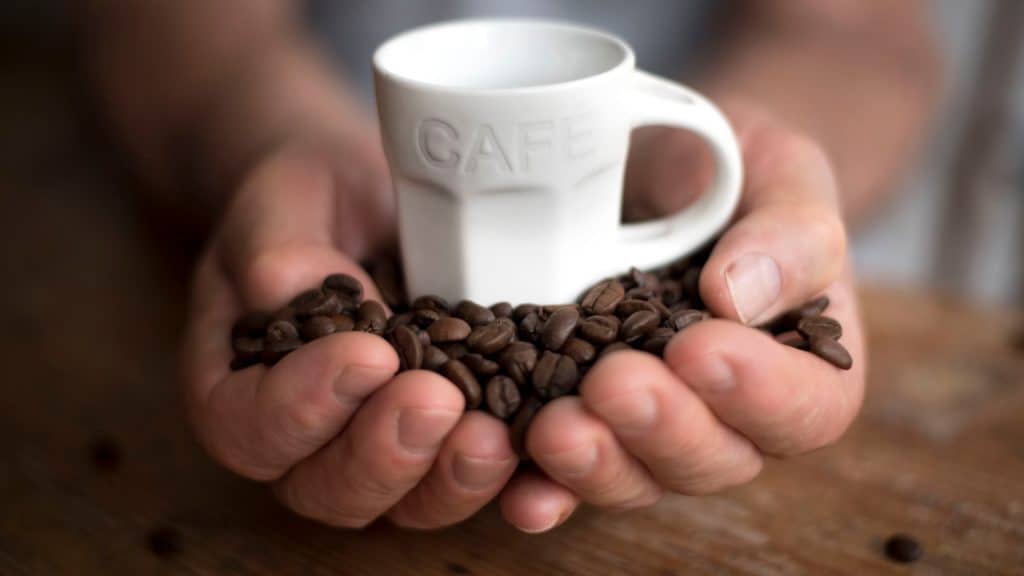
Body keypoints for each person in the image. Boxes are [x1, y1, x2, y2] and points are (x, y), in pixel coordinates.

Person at [87, 1, 940, 533]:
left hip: (664, 161)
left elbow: (857, 33)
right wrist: (262, 140)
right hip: (253, 186)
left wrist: (774, 169)